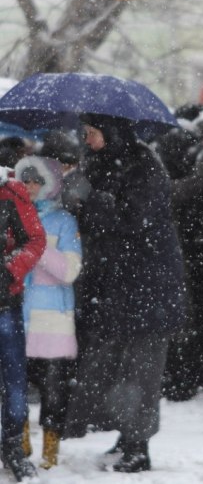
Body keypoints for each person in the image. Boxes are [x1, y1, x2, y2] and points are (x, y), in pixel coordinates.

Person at [64, 113, 186, 473]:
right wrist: (78, 198)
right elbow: (97, 219)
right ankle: (126, 436)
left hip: (147, 284)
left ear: (112, 132)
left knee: (141, 368)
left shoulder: (143, 166)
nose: (87, 139)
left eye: (92, 132)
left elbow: (132, 219)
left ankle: (139, 446)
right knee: (116, 367)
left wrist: (92, 200)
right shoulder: (100, 163)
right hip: (117, 283)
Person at [14, 155, 82, 469]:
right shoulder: (10, 216)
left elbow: (69, 270)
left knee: (53, 393)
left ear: (49, 185)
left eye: (36, 181)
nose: (30, 187)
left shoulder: (64, 222)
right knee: (15, 389)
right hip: (18, 321)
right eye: (24, 180)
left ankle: (51, 451)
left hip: (53, 324)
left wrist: (37, 245)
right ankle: (20, 441)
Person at [0, 165, 46, 481]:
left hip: (5, 303)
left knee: (15, 383)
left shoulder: (10, 193)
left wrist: (10, 270)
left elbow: (35, 240)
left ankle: (12, 446)